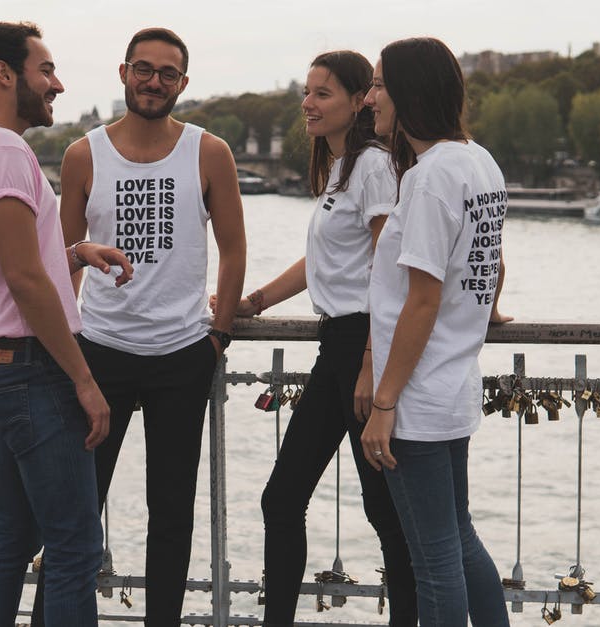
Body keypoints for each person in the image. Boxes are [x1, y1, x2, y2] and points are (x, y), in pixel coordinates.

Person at [32, 26, 247, 627]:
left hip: (183, 353)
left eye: (168, 73)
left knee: (172, 510)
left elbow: (233, 248)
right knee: (77, 508)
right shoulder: (83, 154)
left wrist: (219, 335)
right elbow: (61, 260)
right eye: (144, 69)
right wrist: (65, 350)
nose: (155, 82)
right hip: (101, 351)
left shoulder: (209, 152)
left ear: (183, 83)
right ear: (123, 72)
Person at [0, 21, 133, 627]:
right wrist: (83, 379)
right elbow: (24, 281)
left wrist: (73, 254)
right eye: (45, 70)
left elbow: (4, 263)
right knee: (75, 548)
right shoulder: (3, 151)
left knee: (12, 539)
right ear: (4, 73)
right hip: (30, 371)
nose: (57, 84)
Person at [216, 50, 416, 626]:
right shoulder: (339, 169)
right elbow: (323, 259)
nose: (309, 103)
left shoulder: (374, 165)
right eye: (307, 91)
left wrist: (372, 365)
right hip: (340, 347)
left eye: (323, 93)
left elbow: (390, 262)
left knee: (382, 511)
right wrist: (254, 302)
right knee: (287, 500)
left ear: (360, 101)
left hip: (360, 345)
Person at [359, 37, 512, 627]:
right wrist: (485, 310)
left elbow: (421, 301)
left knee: (434, 562)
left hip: (418, 399)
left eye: (378, 84)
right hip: (454, 386)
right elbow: (490, 262)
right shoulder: (480, 160)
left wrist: (384, 401)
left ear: (408, 91)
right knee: (461, 539)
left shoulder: (429, 178)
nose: (371, 97)